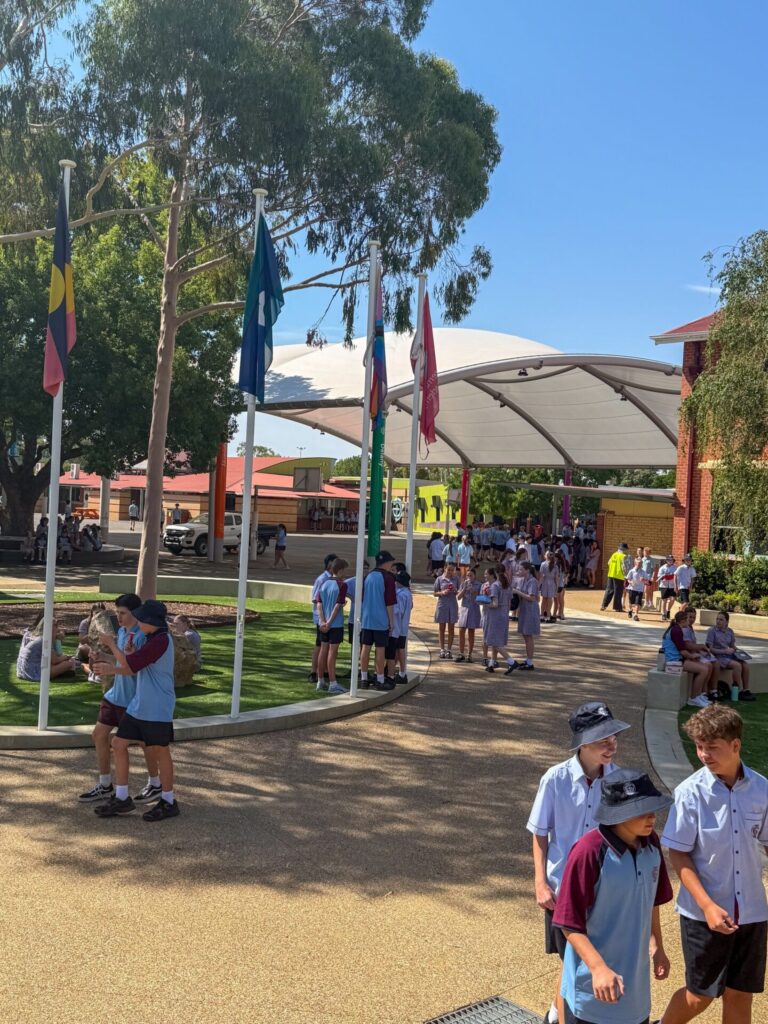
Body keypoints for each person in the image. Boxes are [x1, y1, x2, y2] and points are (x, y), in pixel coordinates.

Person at [660, 705, 768, 1024]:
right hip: (702, 914)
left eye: (712, 747)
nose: (704, 755)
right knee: (700, 996)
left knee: (740, 994)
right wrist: (707, 906)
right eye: (699, 746)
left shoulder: (762, 790)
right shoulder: (689, 793)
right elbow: (678, 853)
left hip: (752, 911)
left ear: (735, 745)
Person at [527, 702, 630, 1024]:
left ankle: (554, 1013)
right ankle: (560, 1016)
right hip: (561, 891)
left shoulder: (619, 783)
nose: (611, 745)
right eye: (603, 739)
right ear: (582, 743)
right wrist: (540, 882)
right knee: (571, 961)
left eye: (613, 737)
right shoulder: (555, 779)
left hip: (602, 890)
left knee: (579, 961)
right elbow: (540, 833)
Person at [553, 768, 673, 1024]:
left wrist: (657, 945)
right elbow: (568, 923)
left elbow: (651, 901)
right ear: (619, 814)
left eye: (653, 808)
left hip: (635, 998)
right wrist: (598, 968)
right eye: (642, 810)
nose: (652, 816)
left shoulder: (652, 844)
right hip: (590, 997)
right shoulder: (588, 852)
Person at [91, 599, 180, 822]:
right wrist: (125, 654)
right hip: (139, 705)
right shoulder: (151, 638)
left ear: (151, 621)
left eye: (141, 619)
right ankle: (122, 798)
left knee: (160, 751)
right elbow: (132, 663)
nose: (138, 622)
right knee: (118, 743)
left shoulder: (160, 641)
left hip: (157, 706)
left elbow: (130, 667)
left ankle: (168, 801)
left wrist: (111, 648)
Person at [78, 594, 162, 806]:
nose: (118, 617)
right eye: (117, 612)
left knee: (144, 744)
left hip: (133, 700)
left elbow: (133, 668)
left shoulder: (143, 636)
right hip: (115, 696)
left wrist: (111, 653)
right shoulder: (123, 632)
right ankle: (105, 785)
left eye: (122, 613)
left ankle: (155, 783)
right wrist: (104, 657)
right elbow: (120, 661)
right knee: (99, 735)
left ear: (135, 613)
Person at [359, 550, 397, 691]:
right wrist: (391, 621)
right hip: (380, 620)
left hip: (367, 618)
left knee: (365, 647)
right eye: (391, 561)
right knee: (380, 649)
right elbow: (389, 602)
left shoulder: (368, 576)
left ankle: (364, 678)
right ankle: (380, 679)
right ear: (386, 563)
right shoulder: (388, 578)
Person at [661, 609, 711, 708]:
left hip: (678, 659)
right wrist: (692, 656)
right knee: (704, 670)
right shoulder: (676, 631)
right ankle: (694, 698)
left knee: (705, 667)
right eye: (688, 619)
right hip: (674, 661)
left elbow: (682, 650)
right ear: (683, 621)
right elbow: (682, 651)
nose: (690, 621)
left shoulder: (676, 628)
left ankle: (698, 696)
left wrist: (694, 656)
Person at [316, 557, 350, 694]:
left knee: (323, 650)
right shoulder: (342, 585)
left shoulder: (324, 583)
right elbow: (337, 606)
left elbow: (319, 604)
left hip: (323, 624)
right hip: (335, 624)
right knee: (332, 652)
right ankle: (333, 683)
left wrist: (323, 621)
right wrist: (329, 622)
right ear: (340, 570)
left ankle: (320, 681)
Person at [705, 611, 755, 701]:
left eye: (721, 620)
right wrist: (724, 651)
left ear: (727, 622)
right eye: (717, 619)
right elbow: (710, 649)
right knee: (737, 666)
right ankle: (736, 691)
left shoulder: (730, 631)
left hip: (729, 655)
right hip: (719, 656)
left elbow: (732, 645)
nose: (718, 621)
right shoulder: (712, 631)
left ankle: (746, 690)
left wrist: (739, 652)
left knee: (745, 664)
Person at [16, 612, 79, 681]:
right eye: (56, 626)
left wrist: (56, 639)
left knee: (61, 662)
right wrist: (66, 657)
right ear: (50, 627)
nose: (58, 629)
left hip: (22, 671)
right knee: (70, 663)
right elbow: (55, 660)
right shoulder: (45, 640)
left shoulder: (32, 635)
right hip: (34, 673)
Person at [308, 553, 337, 685]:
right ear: (330, 564)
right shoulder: (322, 579)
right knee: (319, 645)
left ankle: (325, 671)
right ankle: (313, 672)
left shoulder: (332, 579)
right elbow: (315, 599)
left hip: (329, 618)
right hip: (321, 618)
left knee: (326, 645)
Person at [480, 566, 512, 671]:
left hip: (495, 616)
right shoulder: (507, 585)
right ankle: (491, 664)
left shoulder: (495, 585)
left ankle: (511, 661)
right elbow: (509, 603)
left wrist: (483, 602)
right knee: (497, 640)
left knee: (494, 641)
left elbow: (495, 604)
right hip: (504, 615)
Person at [387, 569, 413, 684]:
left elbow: (397, 611)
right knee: (400, 649)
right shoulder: (407, 593)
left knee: (394, 652)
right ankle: (402, 673)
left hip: (397, 627)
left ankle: (394, 674)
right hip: (402, 627)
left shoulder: (401, 594)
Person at [434, 560, 459, 659]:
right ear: (445, 568)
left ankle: (449, 650)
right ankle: (442, 649)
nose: (450, 572)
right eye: (449, 570)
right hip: (442, 604)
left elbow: (459, 592)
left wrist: (455, 590)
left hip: (452, 605)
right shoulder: (439, 579)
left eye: (452, 570)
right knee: (442, 628)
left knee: (451, 628)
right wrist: (442, 592)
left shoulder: (456, 579)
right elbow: (435, 592)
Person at [456, 567, 481, 663]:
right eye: (468, 575)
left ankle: (469, 655)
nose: (469, 577)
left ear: (475, 576)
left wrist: (475, 592)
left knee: (471, 632)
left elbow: (482, 598)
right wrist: (464, 589)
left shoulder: (479, 585)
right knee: (461, 631)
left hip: (473, 610)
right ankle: (461, 653)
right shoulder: (463, 584)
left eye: (471, 575)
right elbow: (458, 597)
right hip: (464, 609)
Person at [600, 543, 628, 613]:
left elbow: (609, 563)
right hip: (619, 576)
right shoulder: (623, 556)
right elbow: (624, 567)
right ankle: (617, 607)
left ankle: (604, 605)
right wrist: (626, 574)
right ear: (624, 549)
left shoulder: (614, 554)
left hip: (611, 574)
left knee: (609, 590)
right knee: (618, 592)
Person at [625, 556, 649, 622]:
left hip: (639, 590)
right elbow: (628, 579)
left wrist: (643, 580)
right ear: (635, 563)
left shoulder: (643, 572)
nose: (640, 565)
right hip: (632, 589)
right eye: (638, 563)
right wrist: (631, 582)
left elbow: (648, 582)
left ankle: (635, 615)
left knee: (637, 603)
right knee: (631, 602)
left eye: (641, 564)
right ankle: (630, 610)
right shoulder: (631, 571)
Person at [539, 550, 558, 624]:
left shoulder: (543, 564)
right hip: (552, 583)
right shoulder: (555, 565)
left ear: (546, 556)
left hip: (545, 582)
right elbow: (556, 577)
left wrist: (539, 585)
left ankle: (541, 615)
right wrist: (556, 586)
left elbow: (541, 576)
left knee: (544, 599)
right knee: (550, 599)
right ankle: (548, 616)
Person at [658, 555, 678, 620]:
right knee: (664, 600)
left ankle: (668, 610)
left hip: (672, 585)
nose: (670, 561)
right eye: (668, 560)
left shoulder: (675, 568)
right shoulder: (662, 568)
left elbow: (677, 576)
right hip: (664, 585)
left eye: (671, 560)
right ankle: (663, 614)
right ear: (666, 560)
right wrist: (664, 576)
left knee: (673, 599)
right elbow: (659, 576)